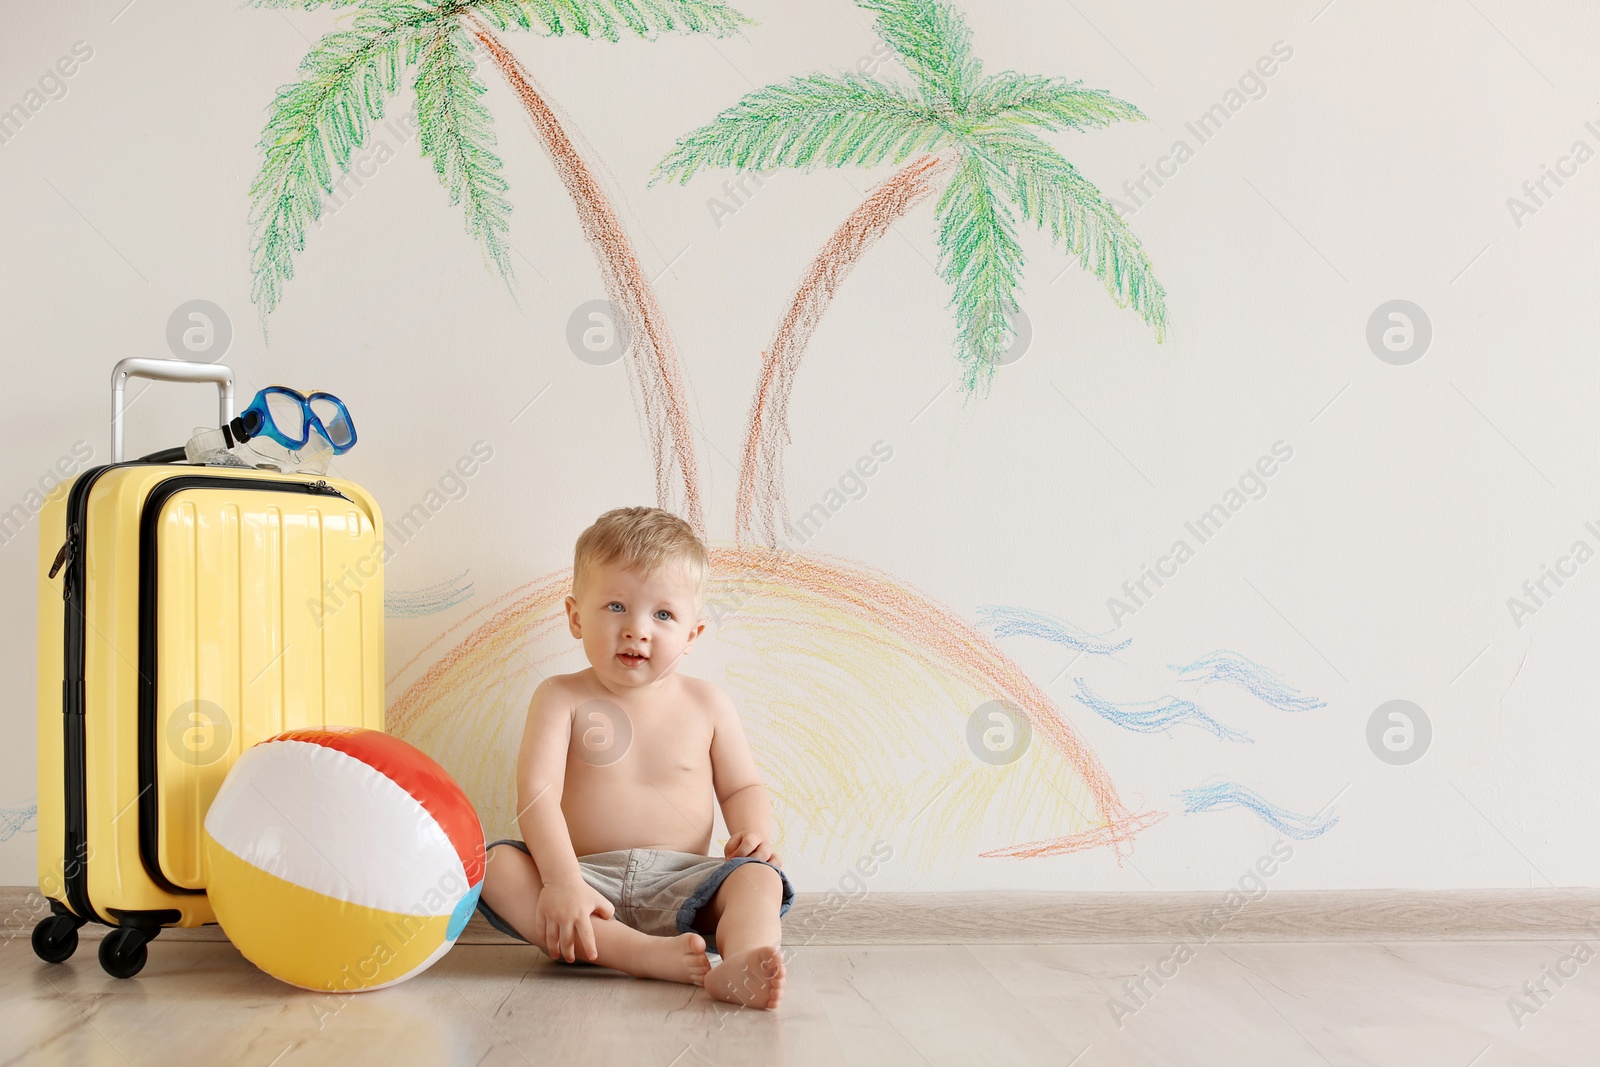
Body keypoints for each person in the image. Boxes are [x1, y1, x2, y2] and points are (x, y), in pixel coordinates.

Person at [475, 506, 793, 1008]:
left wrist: (754, 834)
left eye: (662, 615)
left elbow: (742, 787)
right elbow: (537, 798)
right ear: (576, 616)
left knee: (760, 880)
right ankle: (640, 954)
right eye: (616, 607)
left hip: (687, 881)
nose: (637, 630)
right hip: (583, 879)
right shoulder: (560, 697)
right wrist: (560, 881)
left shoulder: (708, 704)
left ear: (692, 636)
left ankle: (742, 963)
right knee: (494, 865)